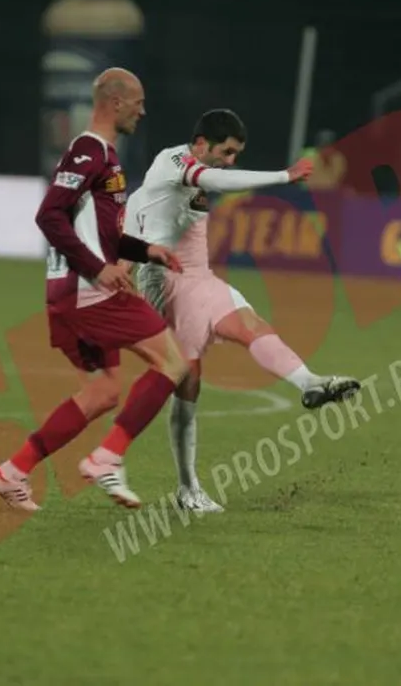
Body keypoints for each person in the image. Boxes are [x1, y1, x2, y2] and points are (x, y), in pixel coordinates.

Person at [122, 109, 362, 514]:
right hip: (166, 282)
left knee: (249, 325)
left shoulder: (174, 180)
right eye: (227, 152)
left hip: (199, 277)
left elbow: (142, 211)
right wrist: (283, 176)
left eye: (236, 154)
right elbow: (211, 182)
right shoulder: (173, 161)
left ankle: (310, 383)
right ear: (202, 143)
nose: (231, 161)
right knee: (188, 382)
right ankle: (185, 487)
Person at [0, 68, 190, 512]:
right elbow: (49, 215)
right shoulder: (88, 150)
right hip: (88, 292)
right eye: (138, 102)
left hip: (75, 292)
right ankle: (107, 457)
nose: (143, 111)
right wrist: (98, 270)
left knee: (104, 392)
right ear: (116, 103)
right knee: (174, 362)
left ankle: (11, 473)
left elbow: (104, 235)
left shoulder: (105, 156)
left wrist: (146, 251)